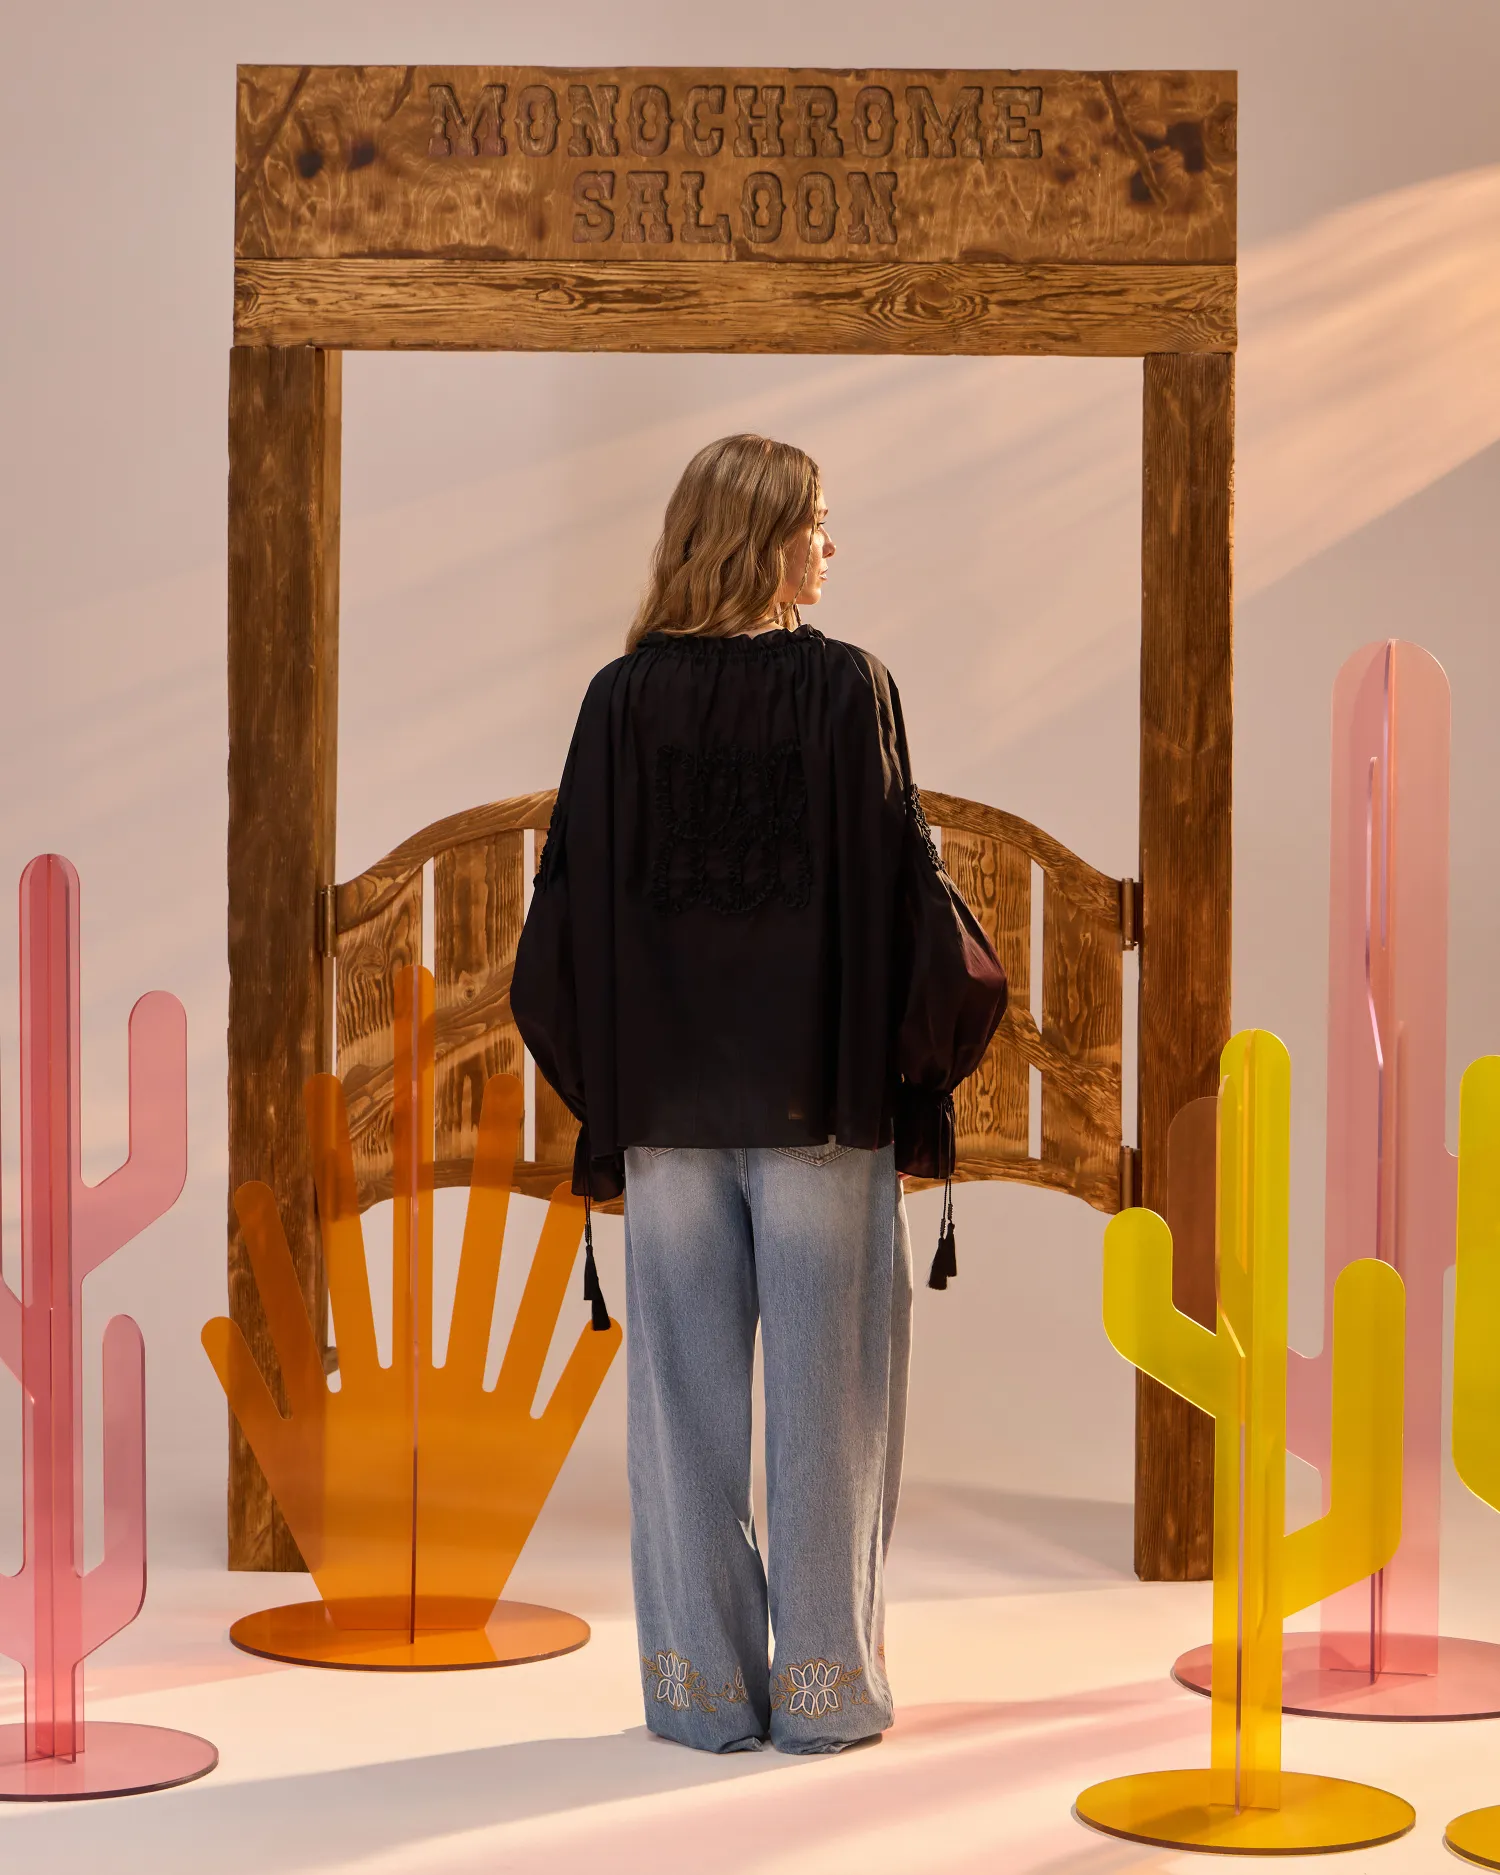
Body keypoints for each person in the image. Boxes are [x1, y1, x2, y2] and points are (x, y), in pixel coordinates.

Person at [512, 434, 1005, 1755]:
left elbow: (560, 933)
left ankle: (700, 1693)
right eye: (817, 521)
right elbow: (905, 906)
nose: (832, 547)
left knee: (679, 1409)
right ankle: (826, 1693)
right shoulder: (849, 688)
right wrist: (917, 1074)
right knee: (831, 1407)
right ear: (762, 535)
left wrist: (615, 1092)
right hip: (822, 1110)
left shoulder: (619, 700)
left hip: (667, 1119)